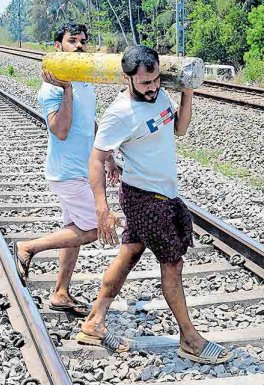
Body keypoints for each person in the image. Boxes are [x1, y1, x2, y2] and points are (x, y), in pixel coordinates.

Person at [77, 45, 231, 364]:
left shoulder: (160, 95)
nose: (151, 88)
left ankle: (94, 321)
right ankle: (189, 337)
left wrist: (187, 94)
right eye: (144, 83)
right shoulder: (119, 113)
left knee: (129, 253)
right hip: (144, 198)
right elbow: (96, 158)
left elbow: (180, 129)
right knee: (172, 264)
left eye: (156, 79)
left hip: (163, 194)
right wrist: (102, 210)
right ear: (127, 78)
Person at [14, 22, 120, 317]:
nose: (80, 46)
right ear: (58, 47)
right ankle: (28, 248)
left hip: (83, 170)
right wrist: (67, 91)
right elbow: (60, 130)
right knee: (91, 230)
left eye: (83, 41)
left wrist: (107, 158)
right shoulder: (51, 89)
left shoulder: (84, 80)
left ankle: (60, 292)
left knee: (73, 230)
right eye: (72, 41)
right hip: (67, 172)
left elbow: (89, 124)